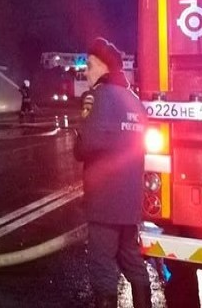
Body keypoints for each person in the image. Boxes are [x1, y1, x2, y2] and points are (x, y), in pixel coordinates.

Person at [73, 38, 150, 308]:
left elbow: (87, 144)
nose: (86, 71)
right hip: (130, 205)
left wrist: (78, 141)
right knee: (132, 261)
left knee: (103, 268)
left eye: (90, 65)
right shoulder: (133, 101)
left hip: (104, 203)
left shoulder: (97, 96)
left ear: (104, 67)